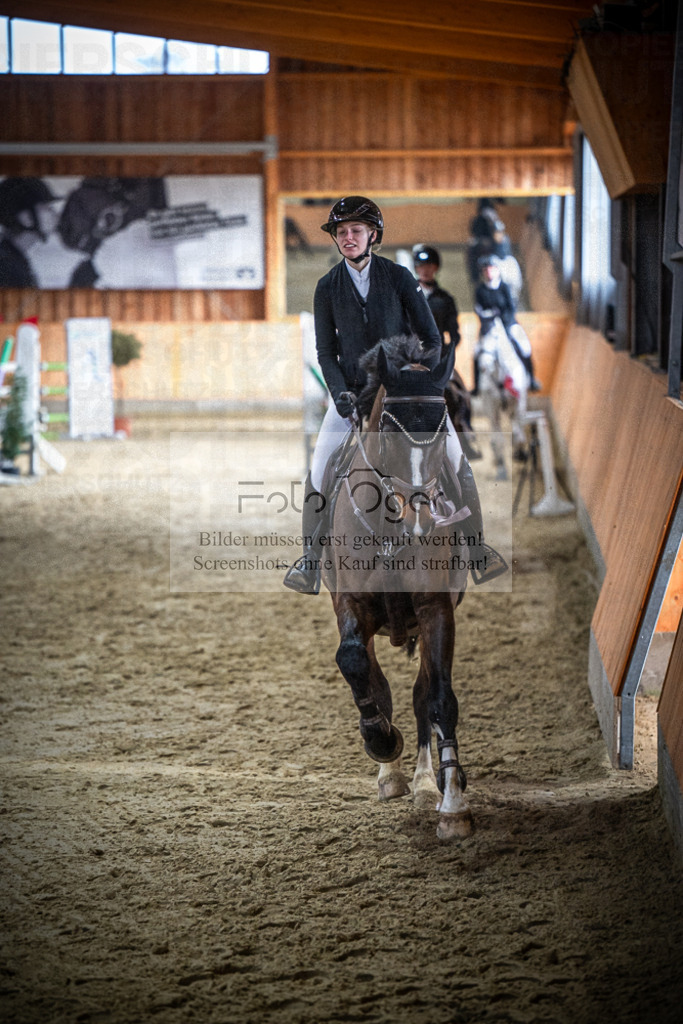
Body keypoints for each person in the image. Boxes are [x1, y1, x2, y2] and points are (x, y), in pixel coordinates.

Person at [284, 195, 507, 594]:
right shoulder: (326, 288)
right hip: (354, 395)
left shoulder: (400, 278)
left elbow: (432, 339)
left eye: (355, 230)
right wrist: (339, 393)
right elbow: (324, 352)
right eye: (341, 232)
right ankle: (310, 560)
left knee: (457, 463)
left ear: (373, 235)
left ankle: (477, 551)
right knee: (318, 471)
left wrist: (419, 380)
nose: (348, 238)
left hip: (405, 396)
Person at [473, 254, 541, 393]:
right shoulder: (480, 290)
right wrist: (488, 318)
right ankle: (477, 386)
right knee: (477, 353)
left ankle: (532, 379)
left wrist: (504, 321)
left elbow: (511, 308)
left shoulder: (505, 287)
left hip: (508, 324)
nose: (489, 272)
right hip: (489, 327)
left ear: (497, 270)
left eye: (491, 269)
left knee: (524, 346)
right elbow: (479, 309)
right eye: (486, 270)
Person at [0, 177, 59, 287]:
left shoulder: (12, 260)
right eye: (47, 207)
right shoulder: (9, 271)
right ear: (27, 218)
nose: (54, 213)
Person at [412, 244, 461, 349]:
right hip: (412, 354)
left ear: (435, 268)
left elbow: (454, 334)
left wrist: (445, 354)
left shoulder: (445, 299)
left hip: (436, 352)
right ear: (416, 269)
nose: (425, 271)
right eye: (421, 266)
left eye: (429, 266)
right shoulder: (407, 295)